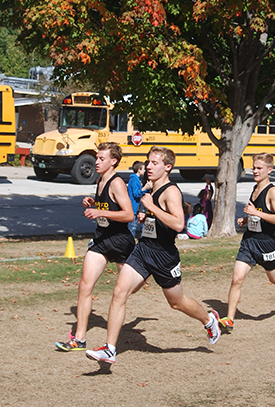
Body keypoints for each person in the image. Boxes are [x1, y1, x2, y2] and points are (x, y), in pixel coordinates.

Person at [86, 146, 220, 364]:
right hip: (143, 250)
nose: (149, 166)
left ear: (167, 167)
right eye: (148, 162)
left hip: (163, 255)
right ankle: (110, 348)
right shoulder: (151, 190)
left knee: (176, 302)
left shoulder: (171, 191)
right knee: (119, 292)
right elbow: (155, 218)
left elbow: (178, 224)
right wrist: (145, 215)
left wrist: (153, 209)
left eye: (154, 163)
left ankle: (208, 319)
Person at [55, 142, 134, 351]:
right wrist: (94, 204)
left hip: (120, 240)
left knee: (130, 289)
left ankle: (149, 269)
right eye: (97, 158)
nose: (97, 162)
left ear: (113, 161)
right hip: (101, 239)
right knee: (84, 286)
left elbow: (129, 215)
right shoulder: (100, 180)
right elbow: (108, 207)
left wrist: (101, 212)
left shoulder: (117, 183)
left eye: (101, 159)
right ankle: (79, 339)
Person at [218, 152, 275, 333]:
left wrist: (256, 214)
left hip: (266, 243)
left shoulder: (273, 191)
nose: (255, 171)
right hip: (249, 241)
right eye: (254, 167)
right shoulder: (255, 189)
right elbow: (257, 213)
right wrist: (246, 220)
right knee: (236, 279)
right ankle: (230, 319)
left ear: (269, 170)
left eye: (259, 168)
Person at [127, 160, 146, 238]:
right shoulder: (134, 179)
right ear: (139, 170)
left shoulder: (137, 179)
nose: (145, 171)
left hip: (136, 207)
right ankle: (130, 242)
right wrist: (145, 187)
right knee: (132, 227)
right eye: (143, 169)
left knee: (134, 225)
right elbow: (136, 193)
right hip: (133, 206)